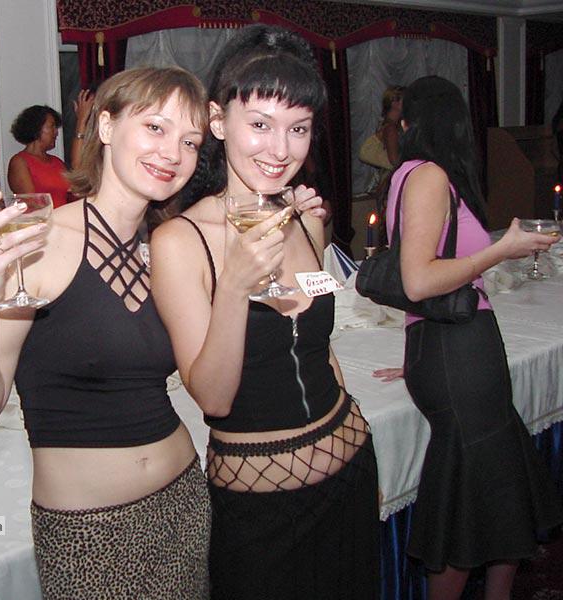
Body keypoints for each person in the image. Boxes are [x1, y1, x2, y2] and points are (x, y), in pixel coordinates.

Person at [0, 66, 211, 599]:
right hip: (86, 531)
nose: (173, 153)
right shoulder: (39, 240)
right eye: (155, 128)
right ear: (106, 126)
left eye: (190, 141)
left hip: (184, 503)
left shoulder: (168, 247)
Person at [151, 25, 380, 599]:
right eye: (260, 124)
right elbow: (213, 398)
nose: (280, 150)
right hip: (259, 505)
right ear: (218, 121)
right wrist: (233, 287)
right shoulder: (181, 242)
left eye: (298, 128)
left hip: (351, 467)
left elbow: (318, 344)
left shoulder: (305, 219)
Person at [382, 75, 562, 600]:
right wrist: (501, 249)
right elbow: (418, 280)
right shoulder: (429, 175)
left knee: (501, 486)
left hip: (450, 347)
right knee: (471, 500)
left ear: (412, 123)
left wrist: (422, 359)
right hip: (456, 350)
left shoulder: (411, 175)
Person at [7, 92, 94, 208]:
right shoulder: (19, 161)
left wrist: (82, 122)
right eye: (52, 126)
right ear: (36, 128)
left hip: (63, 217)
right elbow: (31, 204)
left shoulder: (57, 162)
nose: (56, 132)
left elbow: (75, 180)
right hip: (43, 219)